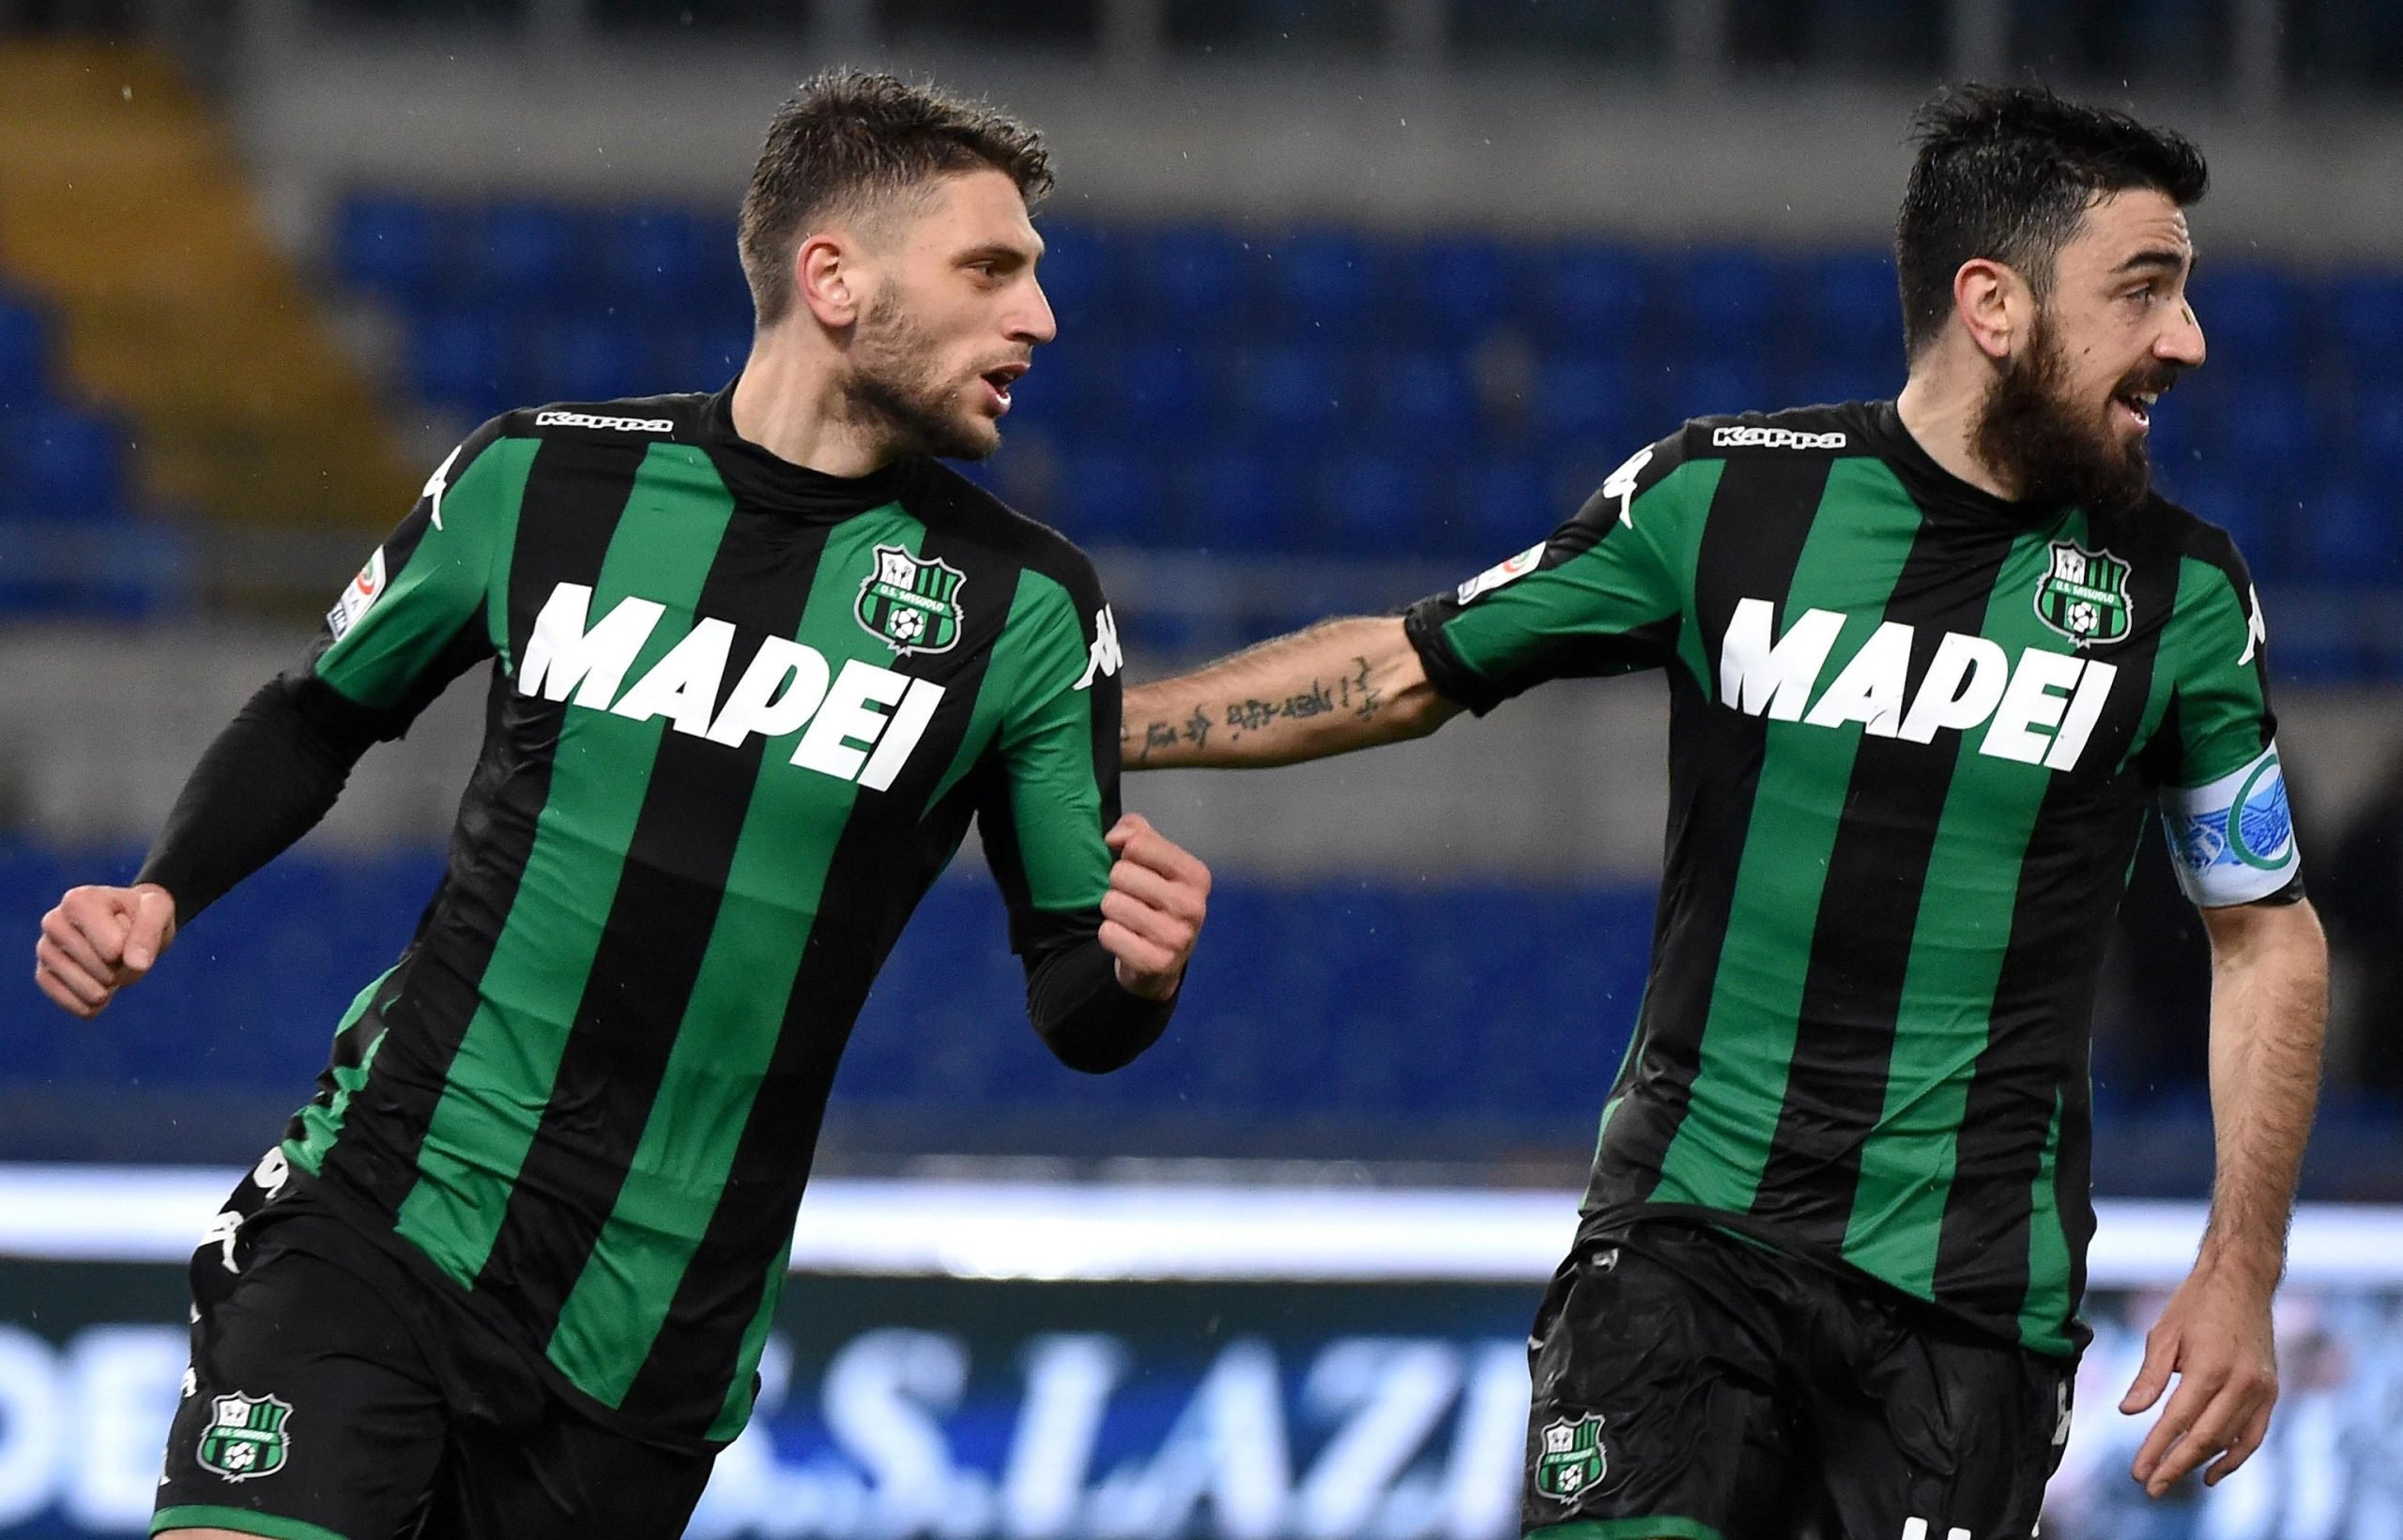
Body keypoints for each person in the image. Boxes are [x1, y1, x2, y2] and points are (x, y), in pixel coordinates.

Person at [1122, 84, 2326, 1538]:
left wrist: (2242, 1264)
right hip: (1682, 1251)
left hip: (1966, 1319)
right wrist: (1104, 726)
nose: (2185, 341)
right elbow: (1407, 664)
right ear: (1994, 305)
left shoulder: (2184, 595)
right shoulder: (1724, 499)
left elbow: (2266, 933)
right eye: (2144, 290)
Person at [32, 69, 1210, 1540]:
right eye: (991, 269)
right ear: (833, 279)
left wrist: (1140, 973)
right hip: (381, 1211)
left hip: (650, 1342)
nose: (1039, 318)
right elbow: (319, 709)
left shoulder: (1029, 609)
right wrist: (165, 884)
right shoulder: (541, 478)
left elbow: (1072, 993)